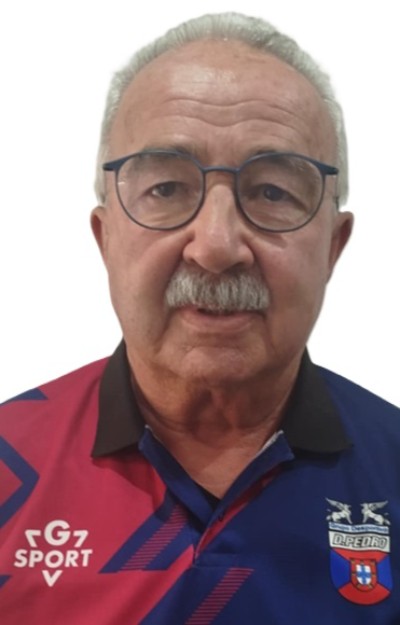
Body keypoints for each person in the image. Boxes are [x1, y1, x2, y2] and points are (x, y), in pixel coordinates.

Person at [1, 11, 399, 625]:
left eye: (272, 192)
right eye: (166, 188)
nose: (215, 245)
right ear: (105, 239)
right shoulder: (9, 464)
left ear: (333, 248)